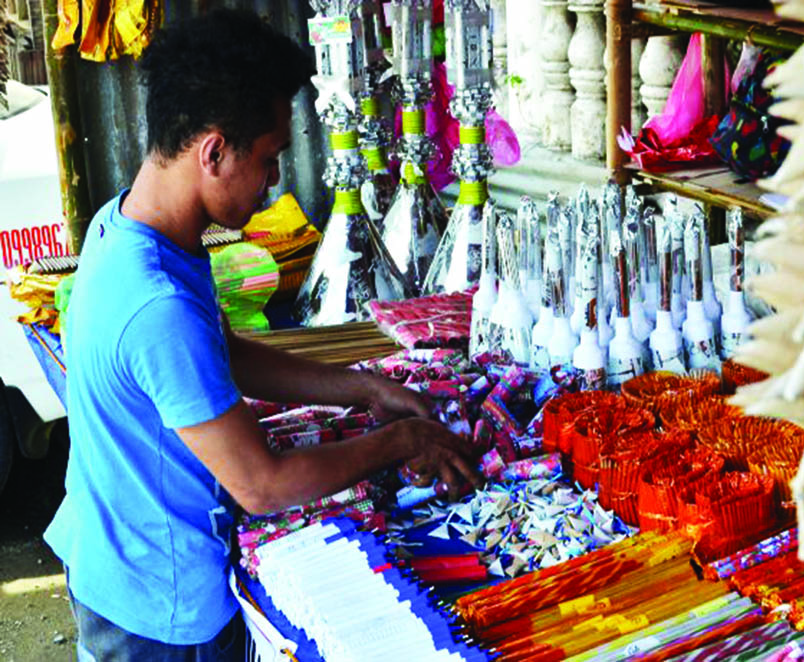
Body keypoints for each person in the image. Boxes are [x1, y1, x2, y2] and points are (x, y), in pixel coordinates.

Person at [43, 9, 480, 662]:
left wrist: (363, 391)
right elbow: (263, 485)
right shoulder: (154, 303)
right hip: (160, 610)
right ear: (214, 151)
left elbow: (219, 353)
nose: (275, 181)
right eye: (270, 159)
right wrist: (402, 441)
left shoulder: (128, 224)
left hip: (113, 555)